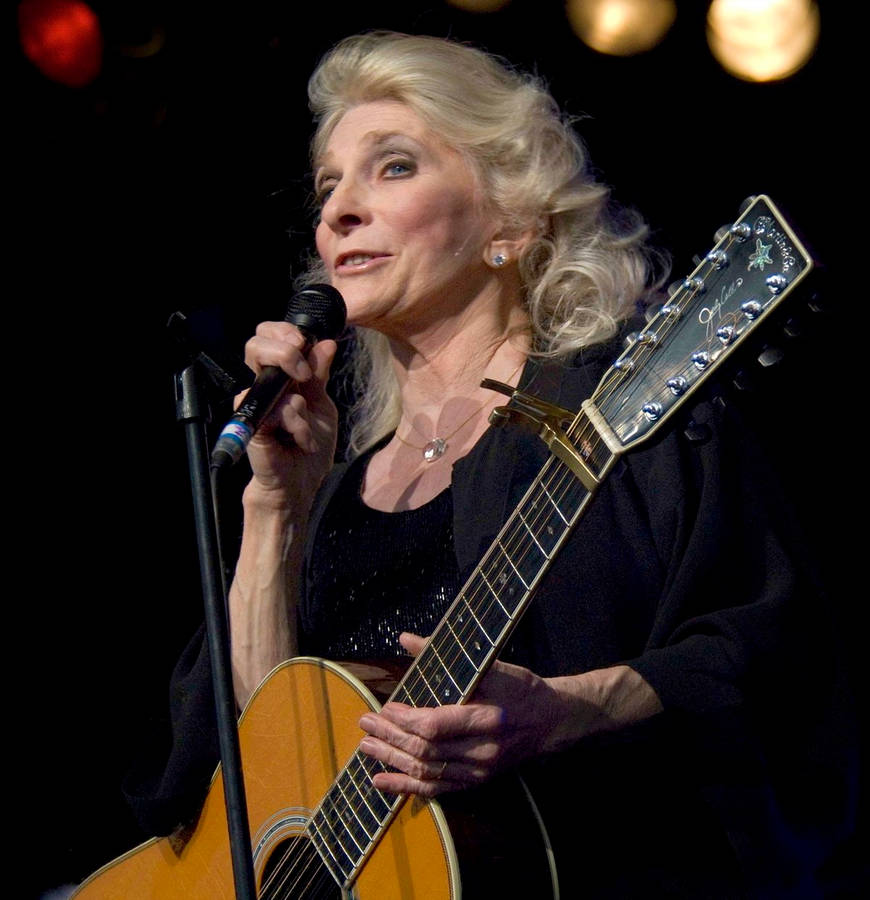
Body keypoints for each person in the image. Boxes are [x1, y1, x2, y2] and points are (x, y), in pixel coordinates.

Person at [126, 31, 856, 897]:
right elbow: (256, 779)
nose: (338, 211)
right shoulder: (335, 485)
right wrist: (277, 505)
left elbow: (780, 662)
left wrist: (569, 711)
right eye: (328, 188)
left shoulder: (626, 419)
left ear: (509, 221)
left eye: (392, 168)